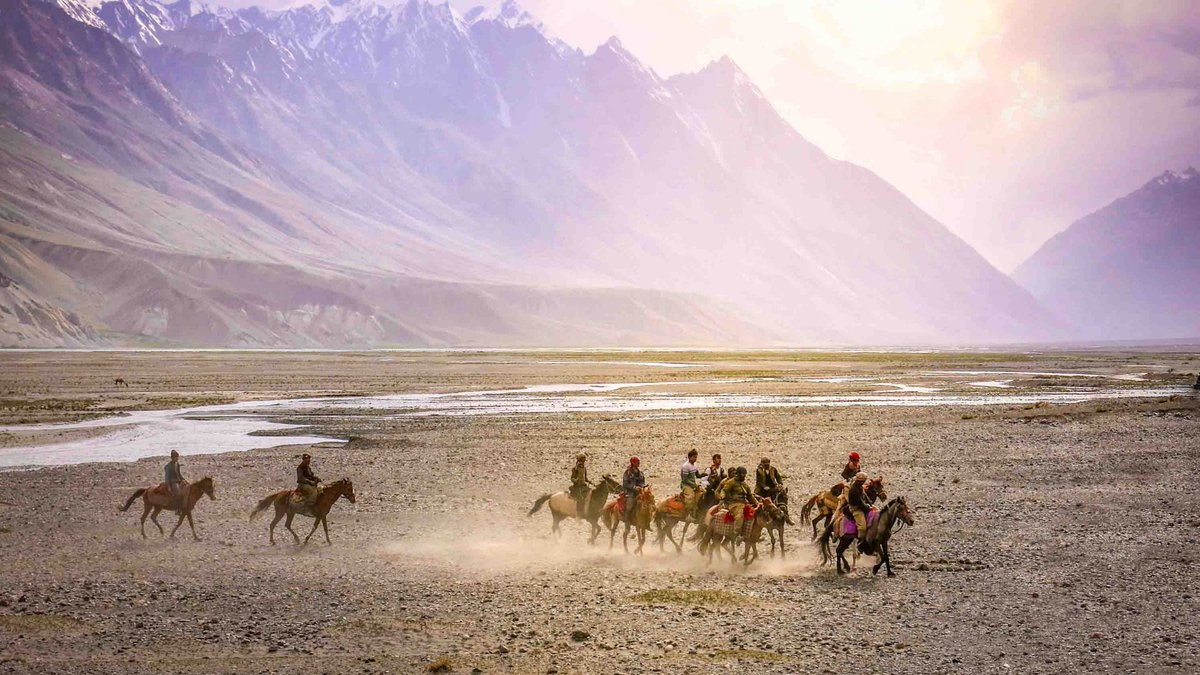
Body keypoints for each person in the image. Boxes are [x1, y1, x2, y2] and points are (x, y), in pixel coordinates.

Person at [716, 466, 759, 537]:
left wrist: (757, 503)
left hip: (743, 503)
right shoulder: (730, 482)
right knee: (740, 514)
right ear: (738, 474)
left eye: (745, 474)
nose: (744, 476)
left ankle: (752, 535)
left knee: (754, 513)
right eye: (743, 474)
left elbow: (750, 496)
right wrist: (723, 497)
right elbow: (724, 491)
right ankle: (737, 533)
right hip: (733, 504)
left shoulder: (744, 484)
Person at [845, 472, 871, 541]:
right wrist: (868, 508)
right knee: (862, 527)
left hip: (862, 505)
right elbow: (860, 503)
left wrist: (870, 504)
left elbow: (865, 496)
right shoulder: (854, 490)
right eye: (864, 481)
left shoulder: (860, 487)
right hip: (856, 509)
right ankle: (860, 541)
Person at [569, 454, 591, 518]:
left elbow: (585, 478)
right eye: (583, 459)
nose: (584, 461)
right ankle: (579, 513)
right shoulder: (575, 469)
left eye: (584, 459)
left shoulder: (584, 468)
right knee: (580, 498)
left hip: (583, 485)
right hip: (577, 486)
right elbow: (572, 478)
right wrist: (576, 480)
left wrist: (589, 481)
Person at [680, 450, 701, 515]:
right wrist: (694, 485)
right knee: (690, 497)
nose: (695, 459)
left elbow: (697, 475)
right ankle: (687, 513)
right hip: (686, 485)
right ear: (689, 457)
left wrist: (705, 474)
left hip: (693, 484)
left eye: (696, 457)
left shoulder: (695, 465)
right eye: (694, 457)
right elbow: (684, 479)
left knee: (703, 493)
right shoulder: (685, 466)